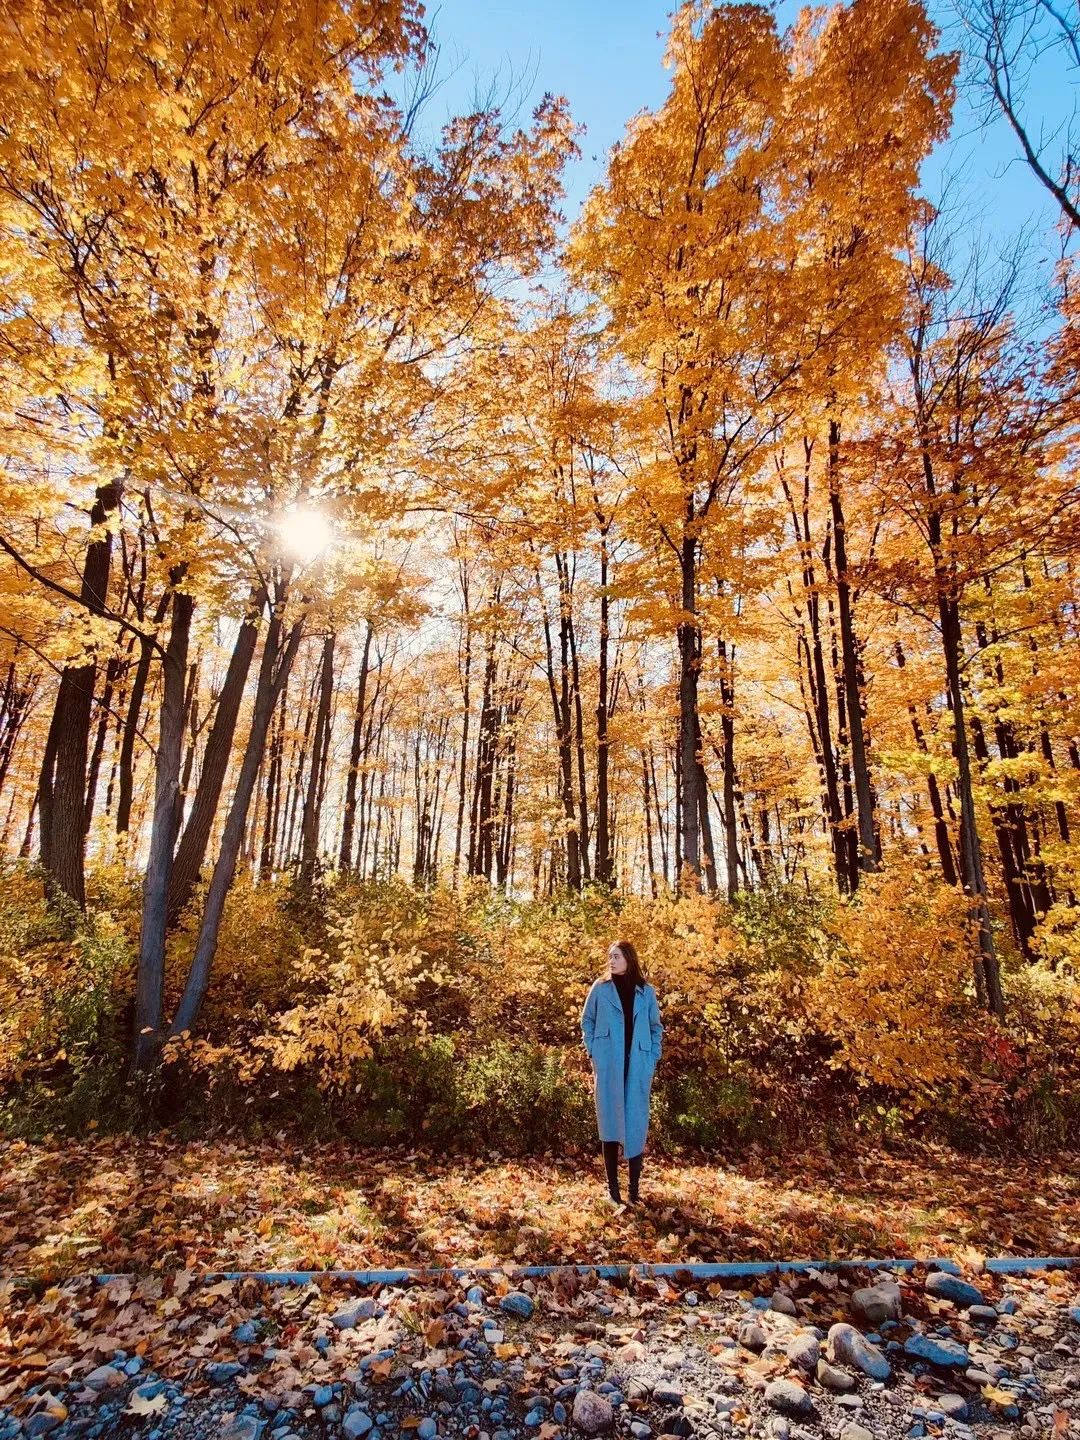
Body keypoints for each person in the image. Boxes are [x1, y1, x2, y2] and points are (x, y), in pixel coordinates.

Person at [579, 940, 663, 1208]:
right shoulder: (600, 989)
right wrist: (594, 1051)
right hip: (609, 1064)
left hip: (638, 1064)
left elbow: (655, 1027)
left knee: (636, 1123)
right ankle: (613, 1190)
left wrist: (652, 1056)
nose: (611, 961)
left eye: (616, 956)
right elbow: (587, 1021)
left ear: (629, 958)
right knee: (610, 1123)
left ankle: (634, 1190)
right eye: (609, 956)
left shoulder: (646, 992)